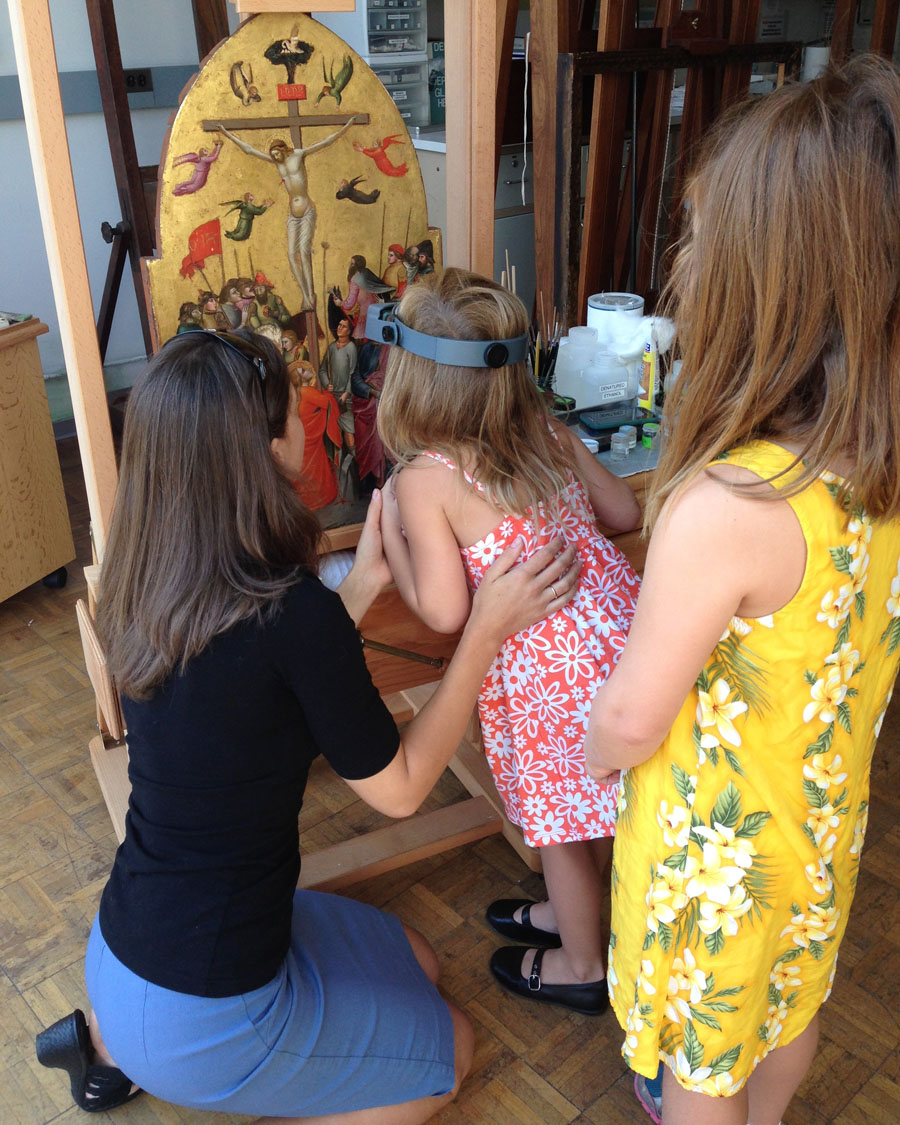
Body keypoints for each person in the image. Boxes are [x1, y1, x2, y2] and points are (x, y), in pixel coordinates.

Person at [34, 327, 580, 1123]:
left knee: (418, 962)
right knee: (448, 1056)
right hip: (212, 1005)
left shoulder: (150, 580)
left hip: (125, 949)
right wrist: (484, 630)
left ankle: (116, 1046)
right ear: (261, 451)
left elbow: (253, 682)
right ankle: (174, 1064)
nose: (310, 428)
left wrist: (353, 590)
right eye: (297, 417)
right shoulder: (292, 613)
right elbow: (398, 791)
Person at [585, 56, 900, 1125]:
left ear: (767, 282)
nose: (685, 263)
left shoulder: (733, 503)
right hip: (817, 825)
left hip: (712, 858)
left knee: (697, 1063)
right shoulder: (876, 465)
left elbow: (633, 716)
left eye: (704, 239)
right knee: (789, 1003)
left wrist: (588, 742)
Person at [376, 268, 643, 1015]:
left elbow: (443, 612)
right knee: (589, 800)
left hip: (547, 678)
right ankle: (575, 907)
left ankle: (584, 961)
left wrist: (393, 543)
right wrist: (563, 442)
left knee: (560, 823)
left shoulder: (426, 481)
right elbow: (621, 510)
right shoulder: (541, 433)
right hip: (620, 643)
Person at [218, 118, 362, 310]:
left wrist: (347, 125)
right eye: (274, 155)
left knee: (303, 252)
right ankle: (304, 294)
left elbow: (326, 142)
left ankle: (310, 294)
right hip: (292, 213)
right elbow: (249, 150)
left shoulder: (298, 155)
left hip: (307, 210)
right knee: (290, 253)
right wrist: (226, 133)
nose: (276, 157)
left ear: (284, 149)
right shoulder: (277, 163)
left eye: (278, 153)